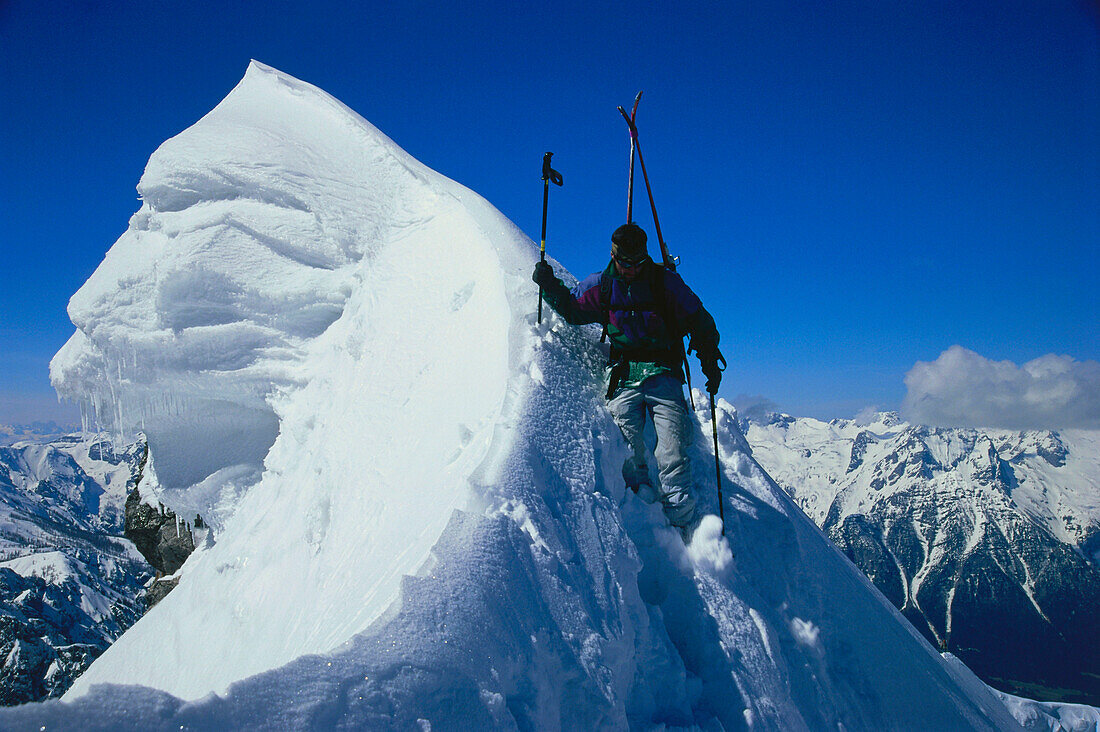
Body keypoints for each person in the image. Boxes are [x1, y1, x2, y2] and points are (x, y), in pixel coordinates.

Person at [532, 223, 722, 542]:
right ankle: (641, 501)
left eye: (637, 263)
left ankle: (681, 524)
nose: (631, 270)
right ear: (614, 256)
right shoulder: (603, 286)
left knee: (672, 449)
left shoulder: (665, 284)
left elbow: (699, 321)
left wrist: (709, 360)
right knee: (625, 441)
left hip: (662, 368)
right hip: (624, 371)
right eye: (625, 263)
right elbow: (573, 310)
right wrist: (548, 285)